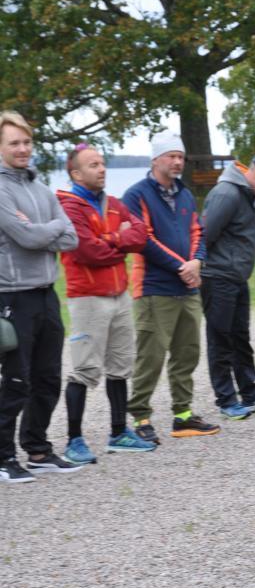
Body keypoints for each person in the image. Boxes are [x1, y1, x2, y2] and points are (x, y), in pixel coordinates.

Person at [56, 143, 157, 462]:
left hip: (119, 295)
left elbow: (141, 235)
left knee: (120, 365)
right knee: (84, 369)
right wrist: (119, 242)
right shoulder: (69, 207)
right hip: (88, 298)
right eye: (93, 165)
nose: (101, 169)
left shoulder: (113, 204)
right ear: (76, 174)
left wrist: (110, 240)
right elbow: (87, 251)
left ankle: (118, 433)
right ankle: (74, 440)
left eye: (102, 163)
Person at [0, 111, 83, 482]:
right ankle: (3, 457)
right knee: (17, 379)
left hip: (47, 294)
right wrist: (47, 229)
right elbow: (27, 237)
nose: (22, 149)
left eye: (26, 142)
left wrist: (39, 228)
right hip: (13, 297)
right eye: (14, 143)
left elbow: (71, 237)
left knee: (48, 377)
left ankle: (38, 449)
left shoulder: (41, 189)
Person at [122, 130, 220, 441]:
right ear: (156, 159)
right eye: (171, 156)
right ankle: (140, 417)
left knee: (186, 353)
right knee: (151, 356)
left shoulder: (185, 194)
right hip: (154, 289)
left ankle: (183, 414)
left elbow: (198, 232)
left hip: (187, 289)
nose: (178, 162)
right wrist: (182, 267)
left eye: (181, 157)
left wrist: (197, 263)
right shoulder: (136, 195)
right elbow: (144, 239)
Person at [200, 154, 255, 421]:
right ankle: (226, 399)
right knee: (220, 339)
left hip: (237, 277)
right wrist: (202, 267)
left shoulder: (247, 193)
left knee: (240, 337)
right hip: (218, 277)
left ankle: (251, 393)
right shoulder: (227, 193)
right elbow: (204, 234)